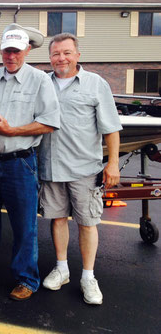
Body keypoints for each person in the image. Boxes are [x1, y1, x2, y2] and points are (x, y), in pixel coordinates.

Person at [0, 26, 60, 301]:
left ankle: (26, 278)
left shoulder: (40, 81)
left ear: (27, 50)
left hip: (20, 163)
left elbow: (49, 123)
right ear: (1, 51)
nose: (11, 55)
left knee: (24, 225)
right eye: (7, 50)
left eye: (16, 51)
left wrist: (11, 132)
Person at [39, 33, 121, 305]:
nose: (61, 58)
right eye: (55, 54)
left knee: (88, 222)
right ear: (49, 57)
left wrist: (113, 163)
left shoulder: (96, 84)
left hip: (85, 167)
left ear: (77, 55)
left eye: (66, 52)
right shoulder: (42, 84)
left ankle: (88, 276)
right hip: (50, 165)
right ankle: (61, 269)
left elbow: (111, 127)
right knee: (57, 218)